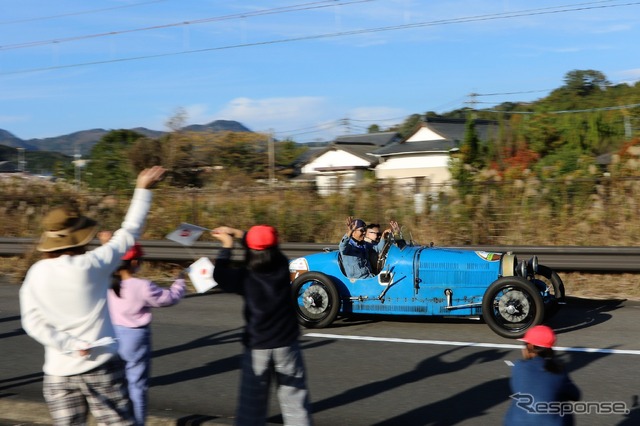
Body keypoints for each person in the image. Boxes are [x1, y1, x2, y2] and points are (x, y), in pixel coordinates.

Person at [19, 166, 166, 426]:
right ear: (80, 238)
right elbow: (130, 231)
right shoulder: (93, 265)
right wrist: (142, 189)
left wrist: (69, 344)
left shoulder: (35, 273)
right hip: (101, 365)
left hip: (57, 373)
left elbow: (32, 323)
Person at [210, 225, 313, 426]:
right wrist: (238, 233)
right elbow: (264, 248)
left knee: (252, 410)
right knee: (296, 405)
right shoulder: (283, 266)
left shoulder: (244, 277)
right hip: (287, 343)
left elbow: (219, 274)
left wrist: (227, 246)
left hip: (257, 347)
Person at [101, 237, 186, 426]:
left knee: (114, 384)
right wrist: (179, 283)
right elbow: (168, 299)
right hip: (135, 337)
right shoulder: (142, 286)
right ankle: (137, 422)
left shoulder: (106, 282)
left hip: (111, 334)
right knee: (136, 385)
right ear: (134, 262)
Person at [504, 325, 581, 426]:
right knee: (563, 406)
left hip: (516, 423)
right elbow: (576, 395)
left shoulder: (518, 367)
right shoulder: (558, 370)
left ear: (530, 347)